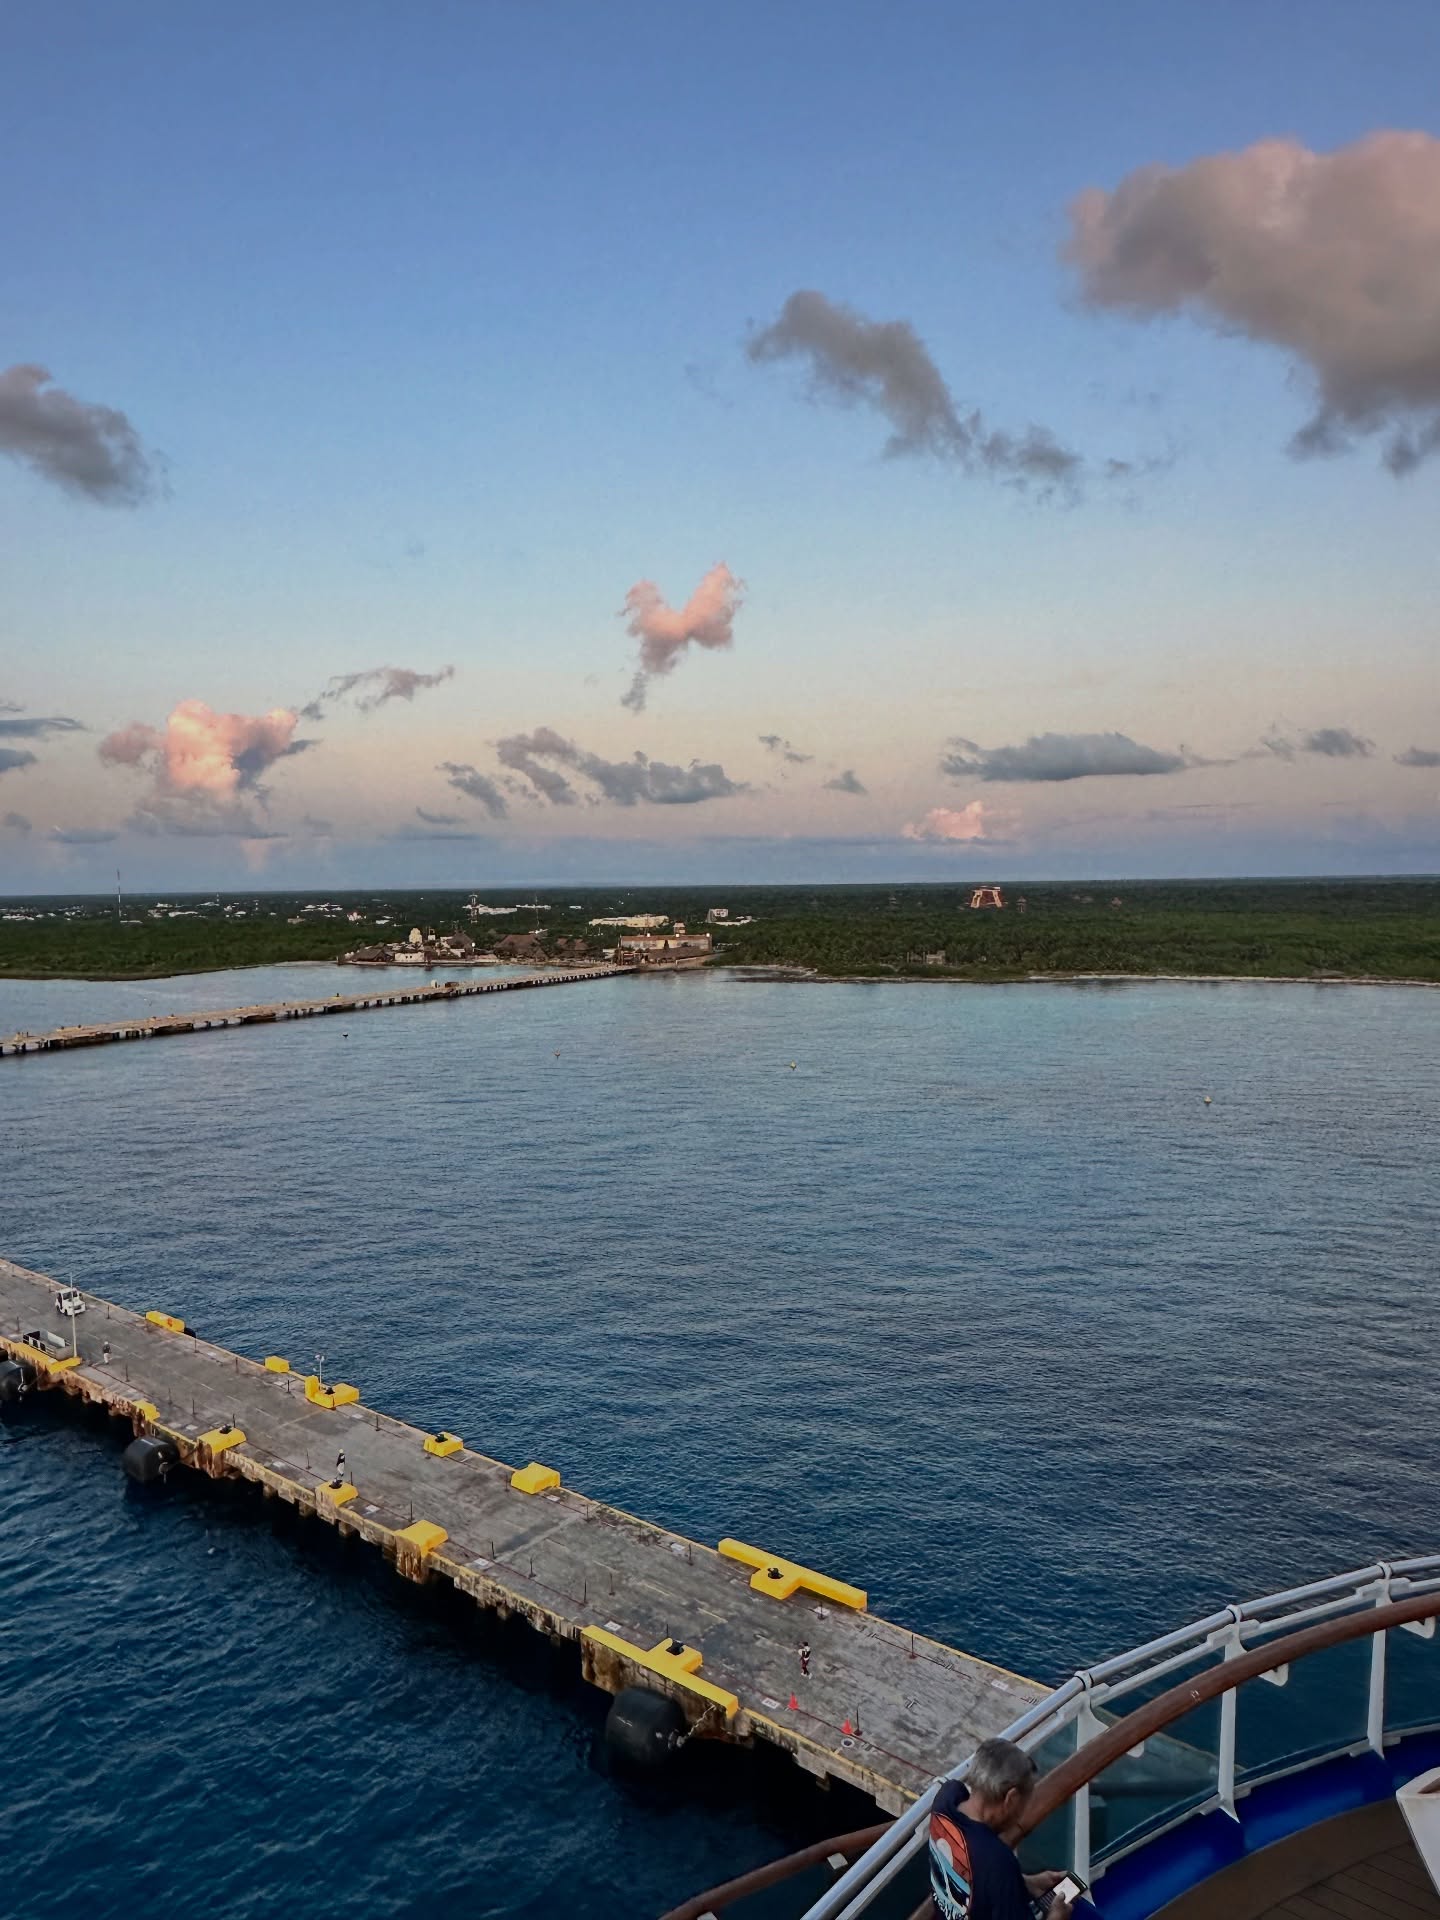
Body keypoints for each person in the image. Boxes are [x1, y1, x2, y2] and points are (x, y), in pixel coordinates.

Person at [928, 1737, 1074, 1920]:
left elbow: (971, 1875)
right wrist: (1056, 1917)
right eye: (1024, 1803)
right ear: (1011, 1799)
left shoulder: (945, 1800)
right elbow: (989, 1871)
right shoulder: (998, 1861)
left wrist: (1025, 1884)